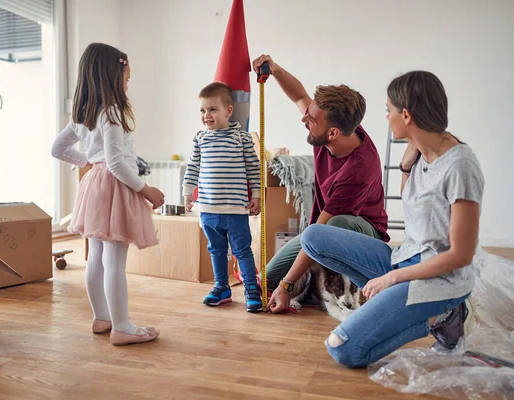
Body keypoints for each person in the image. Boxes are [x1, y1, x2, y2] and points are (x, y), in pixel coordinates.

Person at [284, 70, 484, 368]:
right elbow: (414, 208)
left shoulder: (460, 166)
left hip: (439, 279)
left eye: (388, 110)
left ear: (406, 116)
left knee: (344, 349)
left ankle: (445, 316)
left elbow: (461, 255)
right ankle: (397, 299)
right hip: (405, 259)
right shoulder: (420, 153)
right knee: (314, 236)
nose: (385, 116)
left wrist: (392, 278)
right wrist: (405, 166)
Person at [251, 55, 389, 309]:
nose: (305, 119)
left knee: (333, 225)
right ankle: (311, 277)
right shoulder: (332, 127)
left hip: (365, 236)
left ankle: (335, 281)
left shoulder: (357, 170)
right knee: (266, 281)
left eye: (311, 120)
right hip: (321, 227)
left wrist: (286, 286)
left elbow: (322, 229)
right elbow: (298, 95)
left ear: (333, 133)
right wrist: (276, 69)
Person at [51, 43, 165, 346]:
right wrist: (146, 189)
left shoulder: (83, 113)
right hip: (116, 184)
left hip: (94, 184)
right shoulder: (113, 111)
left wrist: (88, 162)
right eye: (126, 78)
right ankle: (123, 326)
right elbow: (116, 163)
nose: (128, 83)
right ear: (112, 76)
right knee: (114, 258)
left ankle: (102, 317)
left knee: (97, 257)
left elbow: (57, 149)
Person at [182, 82, 263, 312]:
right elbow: (192, 167)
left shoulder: (241, 138)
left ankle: (250, 288)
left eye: (212, 109)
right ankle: (221, 287)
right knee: (215, 249)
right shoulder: (200, 139)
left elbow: (253, 168)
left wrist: (256, 195)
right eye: (202, 110)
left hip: (235, 210)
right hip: (208, 209)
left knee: (242, 250)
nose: (206, 115)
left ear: (228, 110)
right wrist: (188, 193)